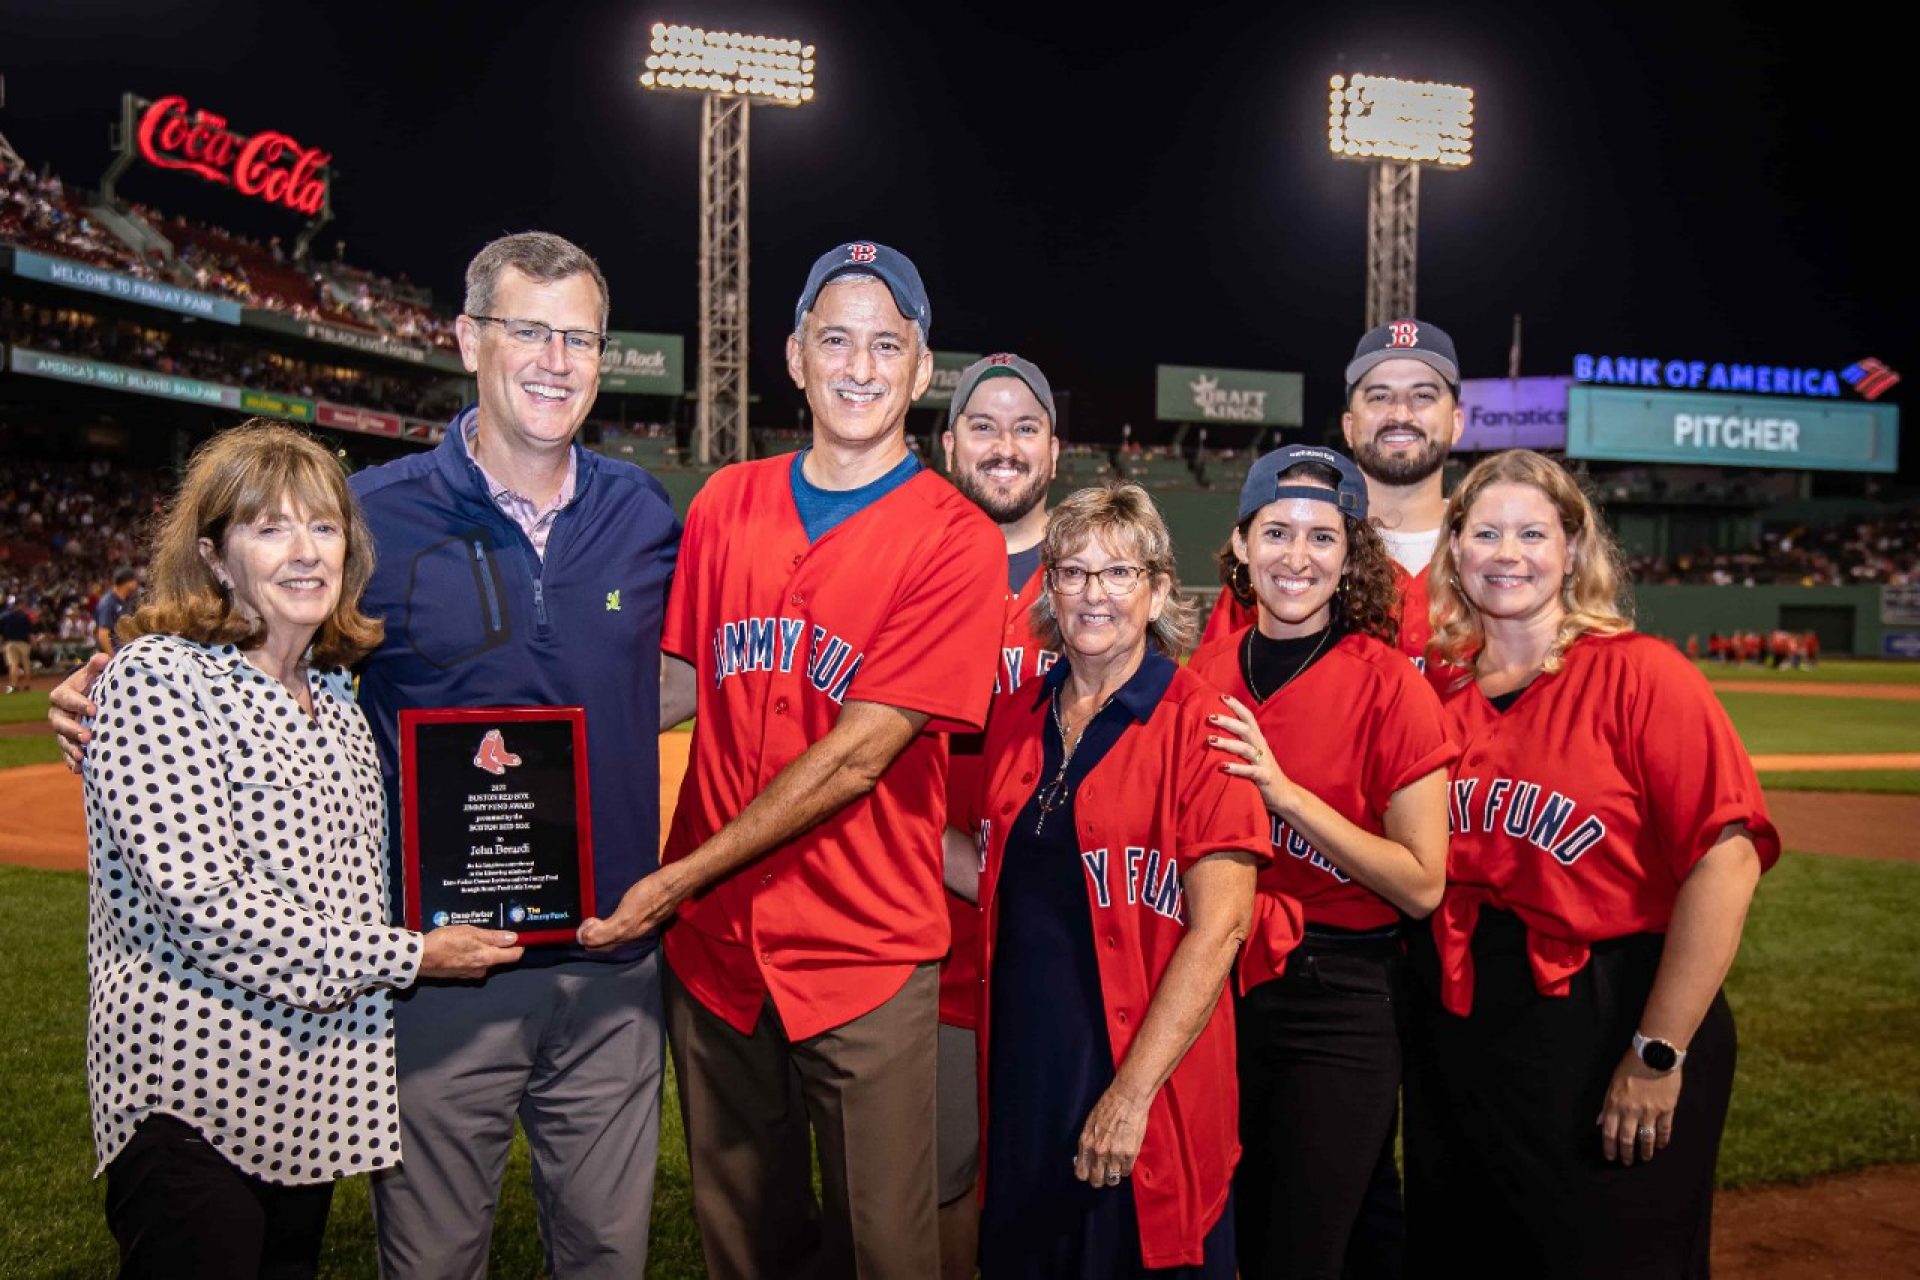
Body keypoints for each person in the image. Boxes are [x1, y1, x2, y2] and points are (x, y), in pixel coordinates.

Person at [54, 232, 683, 1280]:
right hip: (437, 974)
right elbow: (246, 619)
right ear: (469, 338)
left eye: (579, 337)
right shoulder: (371, 514)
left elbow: (693, 669)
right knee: (432, 1263)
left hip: (611, 963)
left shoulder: (643, 512)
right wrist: (109, 672)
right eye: (529, 329)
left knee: (607, 1258)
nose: (555, 359)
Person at [578, 241, 1005, 1280]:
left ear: (919, 368)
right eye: (835, 338)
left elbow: (861, 755)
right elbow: (678, 687)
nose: (859, 365)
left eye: (886, 344)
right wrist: (501, 745)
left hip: (861, 950)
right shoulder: (727, 499)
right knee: (744, 1241)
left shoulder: (957, 538)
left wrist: (676, 876)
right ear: (795, 356)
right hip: (717, 954)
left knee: (886, 1249)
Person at [81, 420, 521, 1279]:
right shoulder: (159, 677)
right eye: (269, 527)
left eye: (323, 526)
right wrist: (415, 953)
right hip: (193, 1095)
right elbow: (209, 904)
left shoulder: (334, 699)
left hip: (306, 1094)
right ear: (213, 555)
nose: (305, 551)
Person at [1403, 449, 1779, 1277]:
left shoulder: (1643, 674)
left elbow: (1728, 860)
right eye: (1487, 532)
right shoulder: (1435, 693)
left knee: (1610, 1254)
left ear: (1573, 549)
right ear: (1455, 551)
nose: (1509, 553)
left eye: (1534, 532)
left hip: (1611, 1011)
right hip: (1463, 1036)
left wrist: (1657, 1051)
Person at [947, 482, 1270, 1278]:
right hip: (1028, 1063)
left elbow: (1222, 926)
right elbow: (998, 871)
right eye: (1074, 572)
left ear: (1160, 589)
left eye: (1119, 573)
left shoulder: (1202, 722)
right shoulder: (1022, 713)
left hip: (1138, 1067)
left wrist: (1131, 1095)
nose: (1095, 594)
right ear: (1049, 588)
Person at [1190, 444, 1455, 1279]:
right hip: (1223, 982)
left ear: (1349, 559)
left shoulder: (1388, 685)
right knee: (1307, 1223)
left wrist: (1283, 791)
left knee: (1293, 1242)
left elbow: (1422, 884)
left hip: (1342, 994)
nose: (1295, 557)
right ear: (1240, 546)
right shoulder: (1205, 673)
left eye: (1321, 537)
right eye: (1276, 532)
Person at [935, 351, 1064, 1280]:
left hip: (1064, 942)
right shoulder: (911, 564)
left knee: (1056, 1181)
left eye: (1026, 427)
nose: (1005, 445)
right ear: (948, 445)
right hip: (929, 936)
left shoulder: (1095, 580)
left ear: (1055, 451)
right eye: (983, 425)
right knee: (935, 1181)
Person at [1198, 319, 1465, 672]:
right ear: (1350, 426)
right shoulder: (1284, 565)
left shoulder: (1494, 560)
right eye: (1380, 396)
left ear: (1457, 423)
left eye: (1423, 396)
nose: (1400, 413)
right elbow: (1214, 694)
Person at [94, 566, 139, 654]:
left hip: (124, 650)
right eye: (135, 581)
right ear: (128, 583)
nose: (136, 584)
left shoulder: (128, 600)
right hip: (110, 654)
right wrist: (112, 657)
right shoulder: (108, 603)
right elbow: (103, 634)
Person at [1, 595, 31, 690]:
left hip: (10, 643)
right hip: (23, 643)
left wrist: (1, 643)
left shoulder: (5, 616)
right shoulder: (25, 616)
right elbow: (29, 632)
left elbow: (1, 632)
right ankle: (26, 685)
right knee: (26, 664)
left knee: (13, 665)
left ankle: (13, 685)